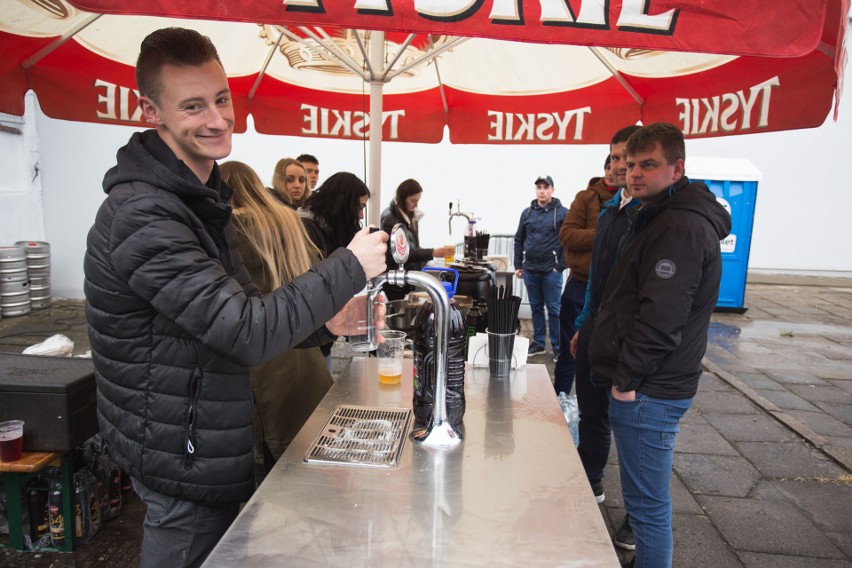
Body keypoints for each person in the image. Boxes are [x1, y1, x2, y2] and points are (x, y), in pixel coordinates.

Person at [83, 28, 388, 568]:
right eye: (194, 106)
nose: (219, 119)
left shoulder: (201, 199)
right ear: (150, 109)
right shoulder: (143, 215)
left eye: (221, 98)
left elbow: (245, 306)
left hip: (206, 439)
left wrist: (328, 324)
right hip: (179, 455)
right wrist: (348, 266)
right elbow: (245, 330)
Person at [588, 122, 731, 568]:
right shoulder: (659, 215)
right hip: (650, 383)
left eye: (648, 165)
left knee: (647, 508)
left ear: (677, 168)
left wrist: (625, 382)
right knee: (644, 499)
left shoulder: (679, 226)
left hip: (651, 388)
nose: (634, 173)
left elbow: (662, 317)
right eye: (630, 165)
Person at [221, 160, 332, 472]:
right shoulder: (288, 221)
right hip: (305, 356)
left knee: (269, 480)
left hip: (259, 366)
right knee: (306, 467)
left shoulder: (227, 230)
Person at [569, 125, 641, 548]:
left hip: (635, 341)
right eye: (616, 159)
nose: (622, 168)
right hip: (597, 327)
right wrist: (583, 324)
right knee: (592, 413)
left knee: (634, 431)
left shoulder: (658, 215)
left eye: (631, 160)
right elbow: (594, 274)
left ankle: (638, 516)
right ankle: (590, 482)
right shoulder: (612, 209)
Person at [553, 155, 619, 393]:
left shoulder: (632, 202)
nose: (613, 171)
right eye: (610, 166)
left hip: (613, 289)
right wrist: (605, 233)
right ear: (604, 169)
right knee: (568, 351)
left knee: (601, 353)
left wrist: (591, 236)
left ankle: (594, 404)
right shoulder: (586, 197)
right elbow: (567, 235)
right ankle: (559, 400)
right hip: (579, 284)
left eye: (620, 164)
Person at [298, 172, 372, 366]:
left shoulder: (333, 228)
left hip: (323, 338)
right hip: (305, 346)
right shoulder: (307, 231)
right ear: (344, 203)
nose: (361, 215)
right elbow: (313, 286)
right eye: (360, 207)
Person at [513, 175, 568, 357]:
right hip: (530, 269)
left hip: (551, 271)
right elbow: (519, 239)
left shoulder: (562, 213)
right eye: (539, 187)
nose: (542, 191)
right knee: (536, 307)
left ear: (552, 189)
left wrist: (561, 265)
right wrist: (518, 265)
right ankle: (538, 342)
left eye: (545, 187)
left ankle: (558, 347)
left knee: (554, 309)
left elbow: (568, 241)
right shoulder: (527, 213)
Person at [380, 179, 455, 301]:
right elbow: (401, 254)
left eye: (418, 201)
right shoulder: (391, 220)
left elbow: (413, 247)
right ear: (402, 198)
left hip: (407, 278)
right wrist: (432, 252)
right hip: (396, 283)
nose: (416, 205)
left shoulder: (410, 216)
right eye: (413, 201)